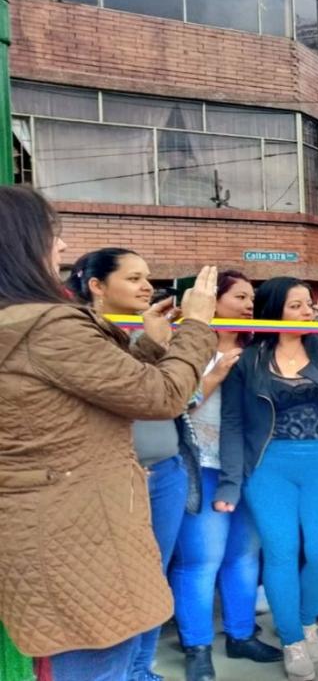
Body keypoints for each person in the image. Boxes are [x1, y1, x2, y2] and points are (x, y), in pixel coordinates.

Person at [0, 186, 218, 681]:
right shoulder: (48, 326)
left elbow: (78, 395)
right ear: (21, 243)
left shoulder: (24, 324)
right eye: (52, 235)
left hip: (53, 527)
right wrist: (198, 326)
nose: (60, 248)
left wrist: (148, 347)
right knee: (99, 664)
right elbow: (160, 398)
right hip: (79, 532)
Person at [218, 276, 318, 681]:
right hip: (269, 468)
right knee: (282, 551)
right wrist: (231, 482)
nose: (309, 312)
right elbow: (232, 423)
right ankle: (291, 639)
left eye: (309, 304)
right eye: (297, 306)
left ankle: (305, 620)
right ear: (275, 312)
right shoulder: (247, 361)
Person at [67, 248, 205, 681]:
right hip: (116, 481)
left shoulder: (120, 336)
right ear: (96, 285)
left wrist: (152, 342)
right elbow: (145, 394)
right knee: (120, 589)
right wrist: (192, 331)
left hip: (164, 471)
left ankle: (142, 670)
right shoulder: (78, 336)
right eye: (133, 278)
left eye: (147, 277)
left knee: (153, 581)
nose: (147, 286)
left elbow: (147, 385)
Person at [169, 272, 282, 681]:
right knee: (202, 559)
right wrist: (214, 376)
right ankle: (197, 646)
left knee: (243, 554)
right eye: (239, 296)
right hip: (200, 465)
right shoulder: (180, 349)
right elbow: (170, 405)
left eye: (252, 297)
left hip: (250, 468)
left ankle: (241, 634)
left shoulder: (260, 351)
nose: (249, 304)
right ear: (211, 302)